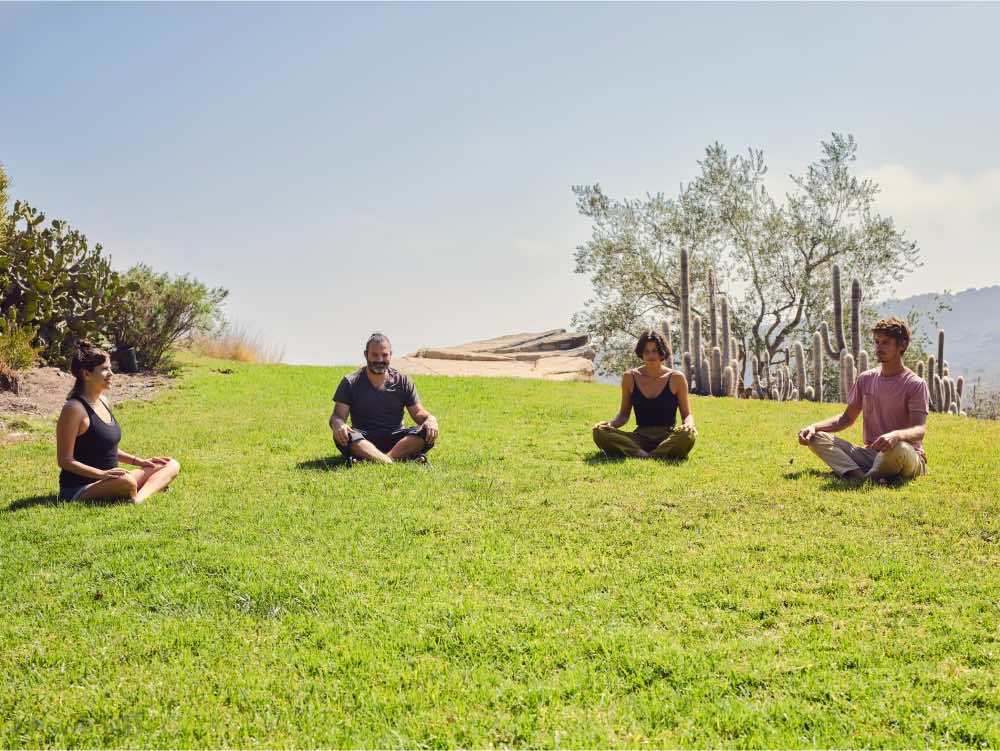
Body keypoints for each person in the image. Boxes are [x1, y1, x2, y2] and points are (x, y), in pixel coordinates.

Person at [798, 316, 928, 483]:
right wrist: (814, 427)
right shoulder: (866, 379)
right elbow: (845, 419)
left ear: (902, 345)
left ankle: (867, 477)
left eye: (885, 342)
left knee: (898, 448)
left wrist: (896, 436)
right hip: (872, 455)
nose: (879, 347)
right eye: (877, 342)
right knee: (816, 438)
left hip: (907, 455)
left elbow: (919, 430)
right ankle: (861, 476)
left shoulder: (915, 384)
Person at [56, 340, 180, 503]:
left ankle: (138, 498)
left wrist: (139, 461)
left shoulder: (103, 401)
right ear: (86, 374)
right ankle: (140, 488)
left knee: (170, 464)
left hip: (112, 478)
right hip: (80, 489)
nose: (111, 373)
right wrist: (102, 475)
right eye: (104, 369)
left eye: (110, 368)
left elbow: (106, 448)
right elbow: (65, 460)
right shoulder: (73, 409)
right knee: (127, 482)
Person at [330, 332, 439, 464]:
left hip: (397, 438)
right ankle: (392, 461)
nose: (380, 360)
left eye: (384, 355)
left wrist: (430, 419)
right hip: (363, 439)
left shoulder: (403, 381)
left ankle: (377, 460)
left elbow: (418, 413)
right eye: (375, 355)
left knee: (425, 431)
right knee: (344, 435)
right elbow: (337, 416)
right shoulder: (350, 382)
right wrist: (338, 424)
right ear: (366, 355)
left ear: (390, 354)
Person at [592, 329, 697, 459]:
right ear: (641, 353)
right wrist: (609, 425)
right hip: (640, 437)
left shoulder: (676, 378)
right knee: (599, 432)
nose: (651, 355)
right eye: (646, 351)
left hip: (668, 436)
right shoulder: (630, 377)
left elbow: (686, 414)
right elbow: (624, 415)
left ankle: (643, 455)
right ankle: (649, 454)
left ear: (662, 352)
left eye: (655, 350)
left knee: (687, 435)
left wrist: (689, 425)